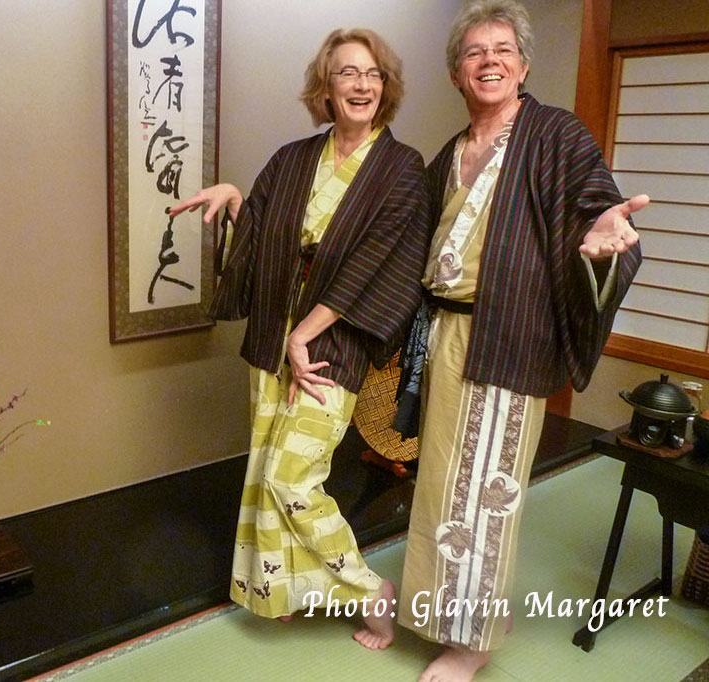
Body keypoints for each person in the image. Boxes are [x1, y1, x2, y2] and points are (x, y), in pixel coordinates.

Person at [395, 1, 646, 680]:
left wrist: (600, 240)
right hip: (445, 333)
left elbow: (595, 199)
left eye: (503, 49)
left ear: (524, 65)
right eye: (475, 51)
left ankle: (472, 642)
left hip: (511, 335)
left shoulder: (554, 134)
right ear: (456, 71)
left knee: (487, 490)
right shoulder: (451, 152)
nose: (490, 61)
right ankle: (436, 614)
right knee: (443, 481)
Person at [171, 28, 430, 648]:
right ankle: (285, 587)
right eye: (346, 73)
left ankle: (371, 591)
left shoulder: (402, 168)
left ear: (385, 87)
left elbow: (380, 261)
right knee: (266, 468)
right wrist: (237, 201)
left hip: (335, 341)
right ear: (326, 87)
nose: (361, 84)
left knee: (294, 478)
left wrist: (307, 334)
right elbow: (262, 233)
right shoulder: (292, 159)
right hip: (275, 334)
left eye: (372, 74)